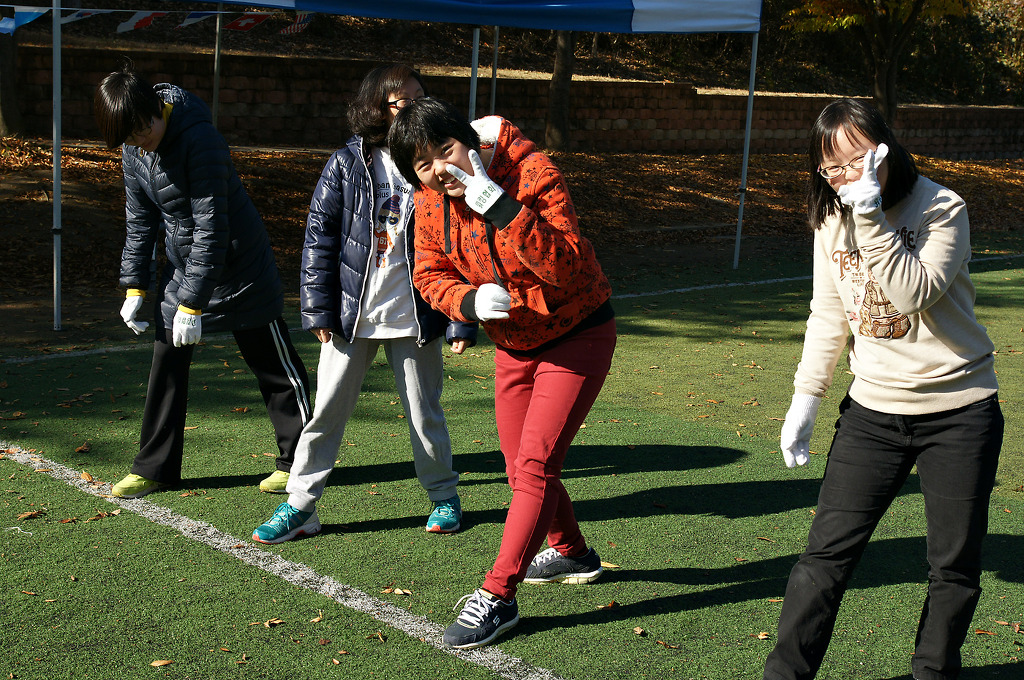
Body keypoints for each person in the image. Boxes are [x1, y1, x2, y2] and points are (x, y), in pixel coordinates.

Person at [764, 98, 1003, 680]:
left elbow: (912, 293)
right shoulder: (831, 217)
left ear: (886, 150)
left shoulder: (942, 207)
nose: (848, 176)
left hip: (959, 410)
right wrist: (806, 397)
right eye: (833, 168)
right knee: (824, 558)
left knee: (952, 567)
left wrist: (869, 216)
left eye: (859, 159)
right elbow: (828, 312)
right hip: (872, 413)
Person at [388, 97, 617, 649]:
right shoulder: (427, 202)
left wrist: (501, 207)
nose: (440, 170)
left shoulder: (532, 172)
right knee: (520, 469)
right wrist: (466, 302)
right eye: (423, 165)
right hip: (514, 345)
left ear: (467, 140)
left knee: (535, 465)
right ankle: (573, 553)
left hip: (577, 333)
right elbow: (428, 273)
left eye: (446, 150)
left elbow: (565, 266)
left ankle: (498, 596)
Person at [251, 66, 477, 545]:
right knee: (326, 413)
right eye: (401, 101)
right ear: (377, 108)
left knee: (425, 415)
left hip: (417, 315)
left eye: (420, 97)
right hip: (353, 315)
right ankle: (300, 506)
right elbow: (319, 238)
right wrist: (317, 309)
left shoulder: (438, 164)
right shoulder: (346, 163)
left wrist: (461, 317)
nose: (413, 108)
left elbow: (462, 242)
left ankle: (443, 497)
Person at [94, 65, 312, 499]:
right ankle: (155, 467)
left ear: (157, 109)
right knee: (166, 362)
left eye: (142, 130)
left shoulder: (200, 139)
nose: (139, 140)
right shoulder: (134, 149)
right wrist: (134, 287)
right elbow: (140, 222)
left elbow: (212, 228)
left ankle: (303, 461)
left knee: (273, 366)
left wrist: (191, 304)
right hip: (185, 266)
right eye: (128, 137)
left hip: (241, 266)